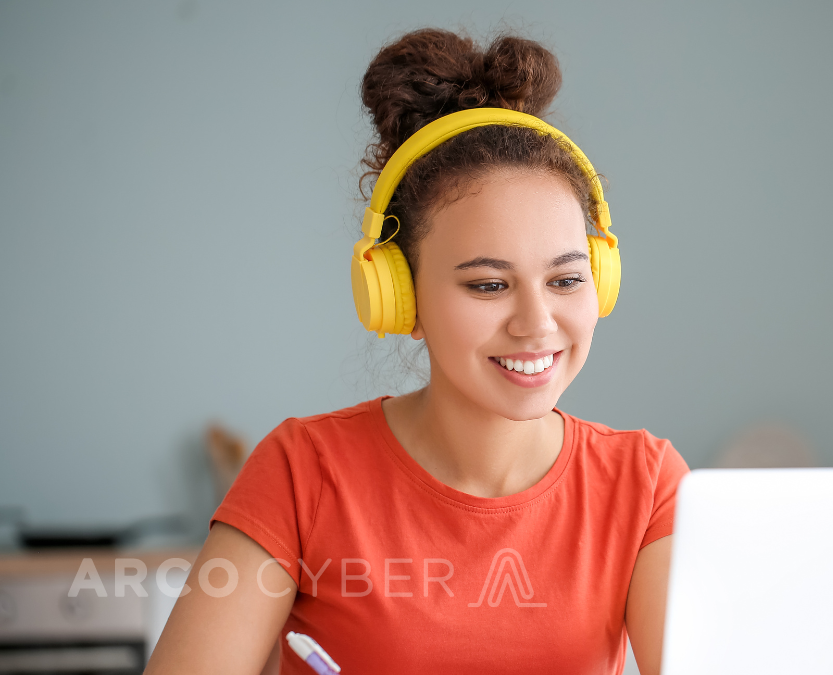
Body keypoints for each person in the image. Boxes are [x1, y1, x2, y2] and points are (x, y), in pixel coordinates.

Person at [145, 27, 689, 675]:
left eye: (566, 279)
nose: (536, 323)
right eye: (488, 284)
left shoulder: (646, 484)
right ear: (398, 295)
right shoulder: (300, 475)